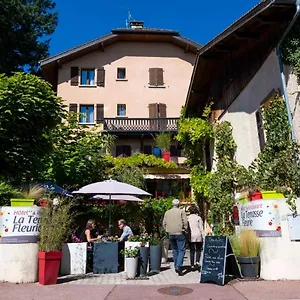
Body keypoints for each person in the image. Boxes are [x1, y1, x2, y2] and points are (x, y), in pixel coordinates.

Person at [163, 199, 188, 276]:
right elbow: (185, 222)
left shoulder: (167, 212)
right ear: (179, 204)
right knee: (181, 250)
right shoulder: (181, 211)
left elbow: (164, 223)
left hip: (170, 233)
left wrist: (167, 229)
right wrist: (185, 229)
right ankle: (178, 265)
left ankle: (176, 265)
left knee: (174, 250)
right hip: (180, 232)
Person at [188, 205, 204, 271]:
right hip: (198, 235)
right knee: (198, 249)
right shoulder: (198, 218)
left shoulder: (188, 218)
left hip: (191, 235)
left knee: (192, 250)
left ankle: (192, 264)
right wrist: (204, 236)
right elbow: (201, 228)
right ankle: (197, 261)